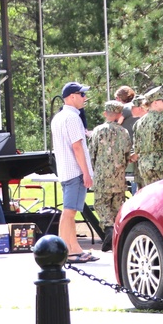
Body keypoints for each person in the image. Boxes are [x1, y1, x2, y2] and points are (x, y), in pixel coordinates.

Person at [50, 82, 96, 263]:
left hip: (66, 170)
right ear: (72, 96)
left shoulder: (59, 117)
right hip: (75, 171)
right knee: (69, 212)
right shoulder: (73, 118)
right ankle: (65, 251)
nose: (85, 98)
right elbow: (77, 147)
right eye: (82, 94)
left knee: (70, 211)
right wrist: (86, 172)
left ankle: (74, 248)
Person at [88, 100, 132, 253]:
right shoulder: (124, 132)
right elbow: (127, 154)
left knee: (101, 205)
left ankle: (108, 229)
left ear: (105, 113)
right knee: (117, 208)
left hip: (102, 177)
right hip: (119, 178)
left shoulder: (98, 131)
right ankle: (117, 238)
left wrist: (93, 170)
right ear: (120, 115)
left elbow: (91, 153)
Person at [132, 86, 163, 190]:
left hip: (144, 167)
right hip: (160, 166)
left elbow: (136, 148)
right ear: (155, 102)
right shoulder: (162, 120)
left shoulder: (138, 123)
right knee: (162, 199)